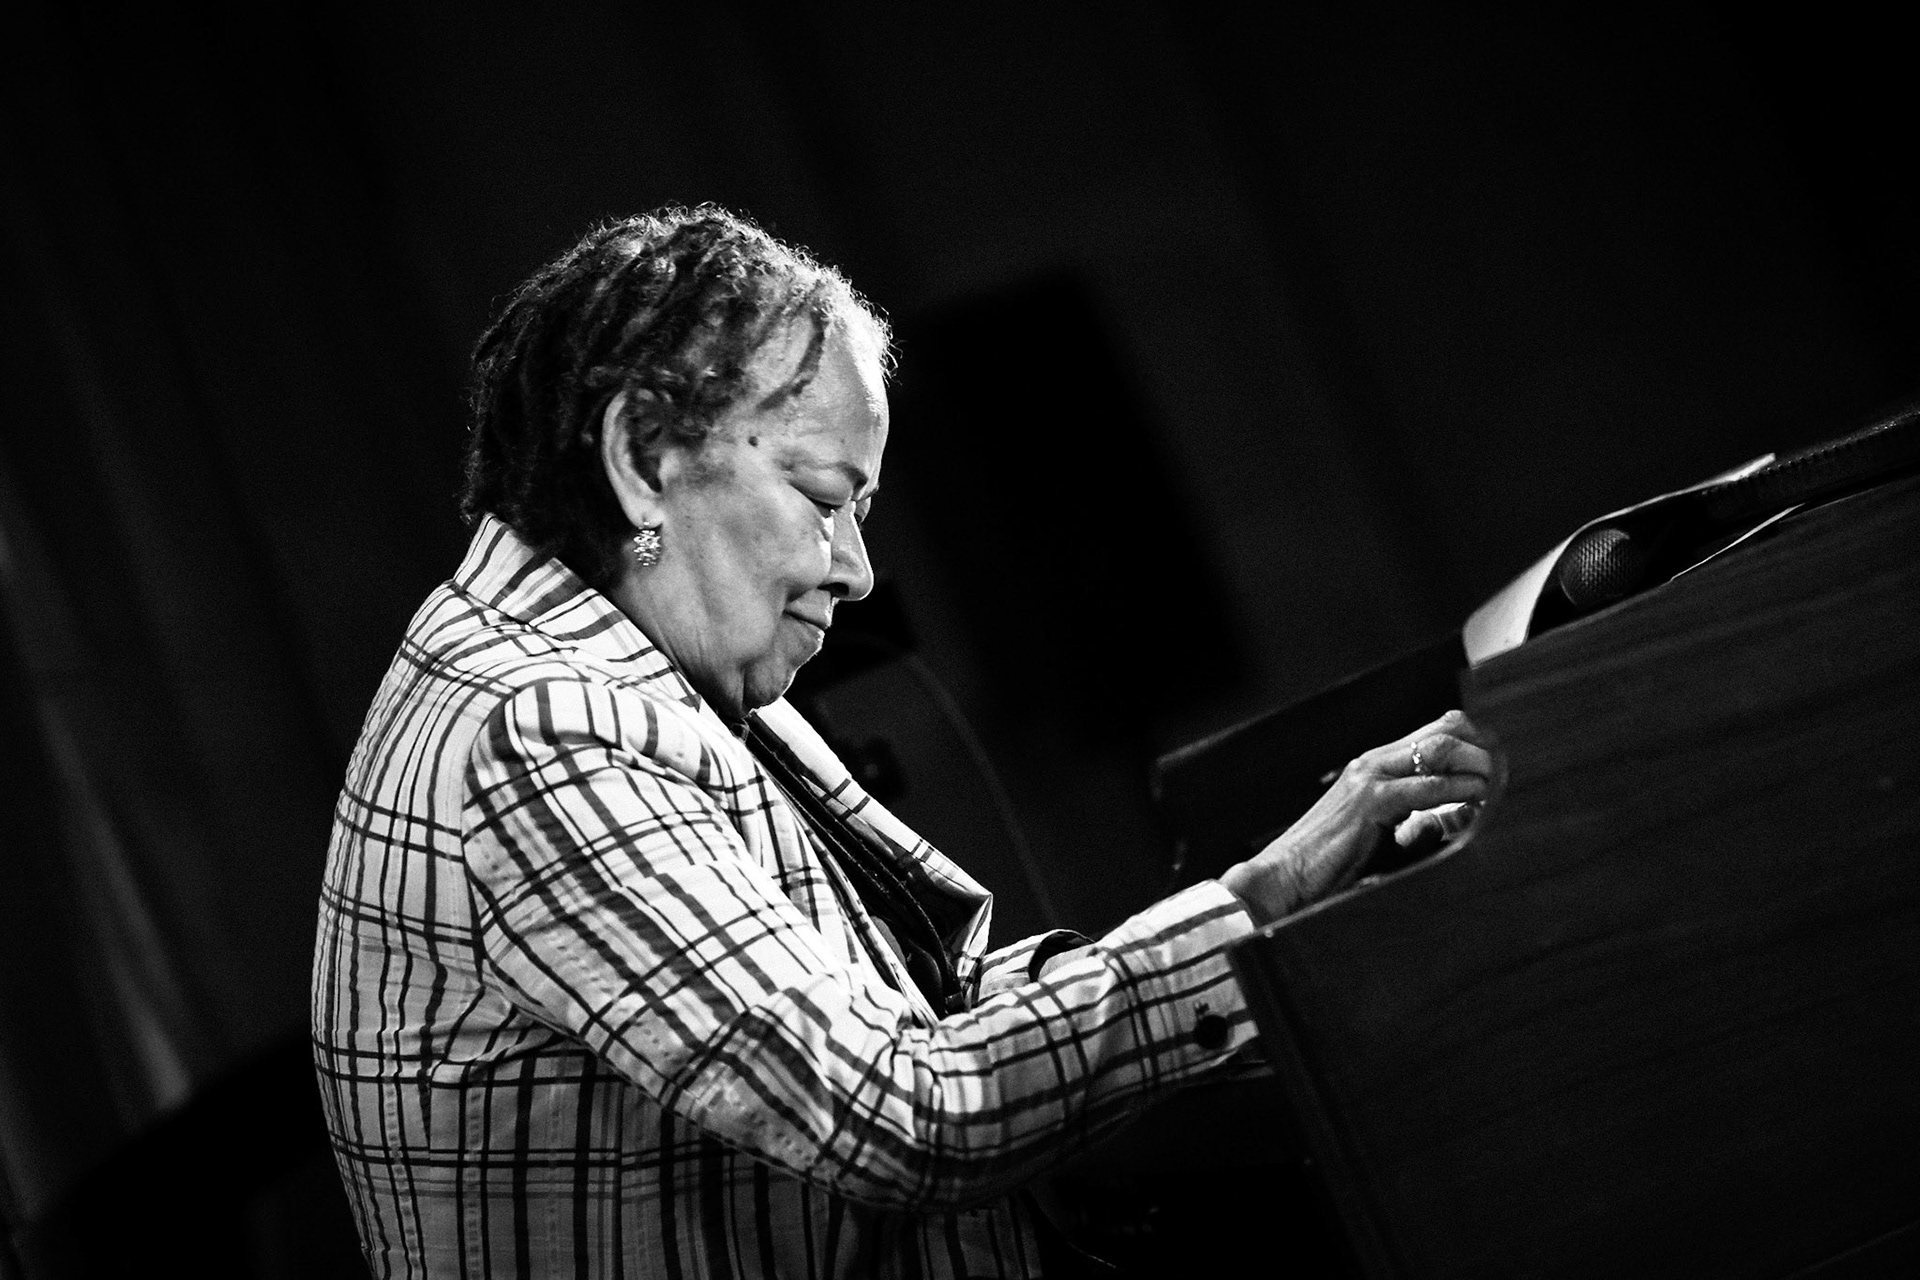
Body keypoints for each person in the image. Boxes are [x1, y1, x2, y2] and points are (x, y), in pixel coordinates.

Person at [310, 204, 1492, 1279]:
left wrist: (1307, 908)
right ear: (643, 459)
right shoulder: (545, 729)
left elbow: (930, 1003)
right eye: (826, 498)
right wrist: (1262, 902)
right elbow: (910, 1112)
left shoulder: (639, 661)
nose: (857, 572)